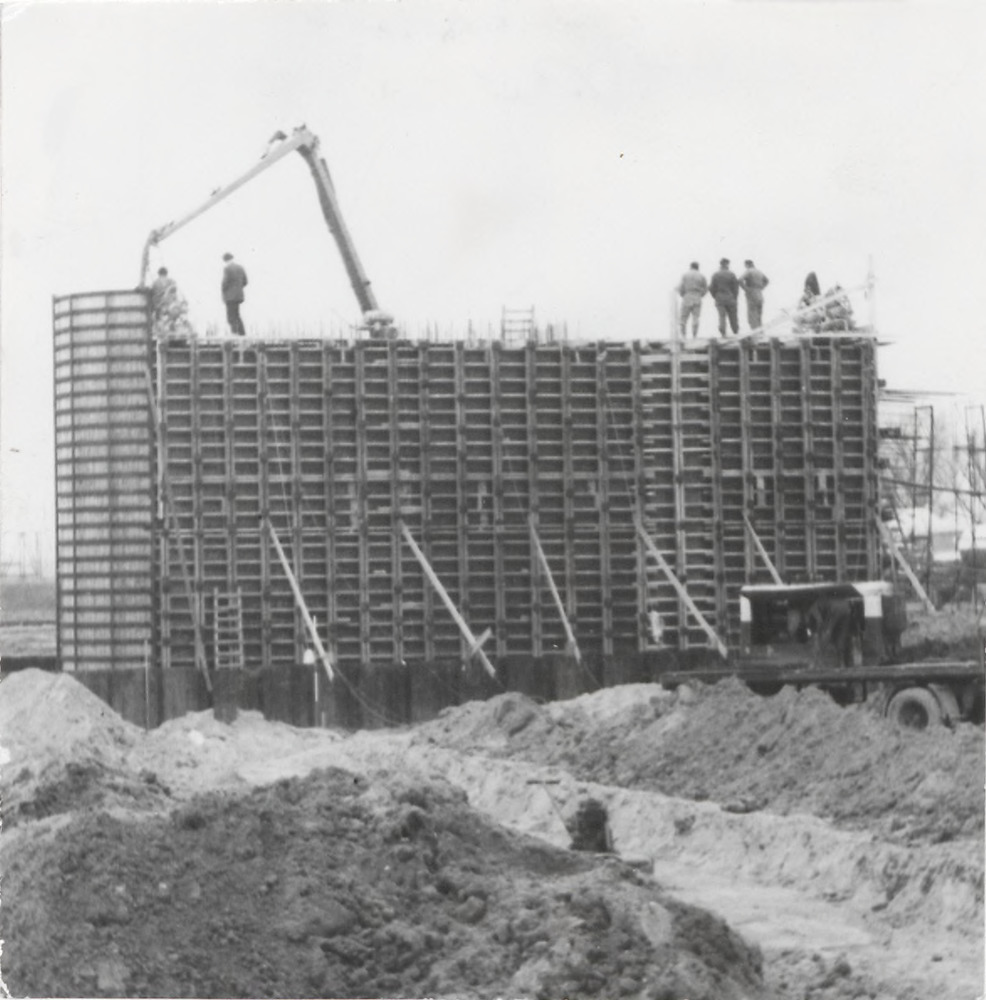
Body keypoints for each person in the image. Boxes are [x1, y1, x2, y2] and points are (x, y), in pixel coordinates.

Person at [676, 261, 708, 338]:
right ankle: (694, 335)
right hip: (697, 297)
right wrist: (701, 295)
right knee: (696, 317)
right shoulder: (701, 276)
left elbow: (680, 287)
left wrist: (682, 294)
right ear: (698, 267)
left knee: (683, 318)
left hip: (687, 296)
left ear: (690, 267)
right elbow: (706, 288)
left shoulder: (685, 275)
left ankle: (683, 336)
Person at [708, 258, 740, 336]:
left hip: (719, 298)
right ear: (727, 264)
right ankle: (735, 331)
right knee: (733, 316)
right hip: (730, 297)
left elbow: (711, 288)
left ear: (720, 264)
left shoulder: (715, 275)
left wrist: (715, 296)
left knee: (721, 316)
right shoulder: (732, 274)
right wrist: (735, 297)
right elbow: (736, 288)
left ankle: (723, 333)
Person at [221, 252, 248, 336]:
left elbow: (225, 283)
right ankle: (242, 334)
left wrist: (224, 291)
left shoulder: (227, 268)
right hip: (239, 296)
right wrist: (238, 288)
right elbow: (245, 281)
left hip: (230, 296)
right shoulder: (240, 267)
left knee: (231, 317)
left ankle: (235, 333)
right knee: (237, 315)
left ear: (226, 260)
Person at [738, 259, 769, 332]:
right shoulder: (759, 272)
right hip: (759, 294)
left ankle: (755, 332)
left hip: (751, 294)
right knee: (759, 315)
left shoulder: (748, 271)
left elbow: (740, 280)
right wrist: (762, 287)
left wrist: (745, 288)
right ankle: (761, 331)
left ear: (747, 265)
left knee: (752, 315)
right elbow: (767, 280)